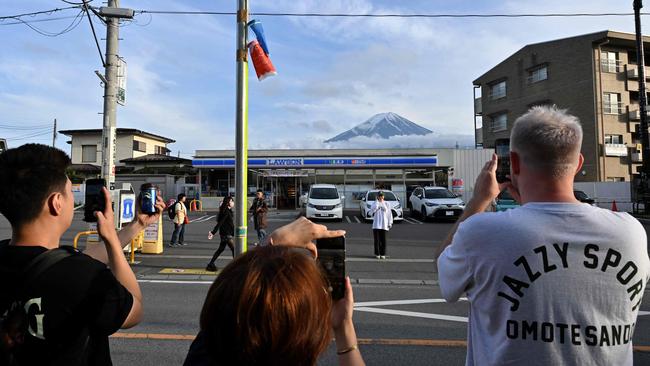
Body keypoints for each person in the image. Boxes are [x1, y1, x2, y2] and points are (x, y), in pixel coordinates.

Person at [435, 106, 649, 366]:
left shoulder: (481, 232)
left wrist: (479, 200)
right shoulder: (630, 233)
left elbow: (444, 270)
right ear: (578, 162)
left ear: (513, 162)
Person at [0, 144, 165, 365]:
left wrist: (137, 225)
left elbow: (75, 263)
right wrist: (110, 240)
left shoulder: (8, 255)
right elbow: (134, 311)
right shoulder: (84, 277)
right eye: (69, 192)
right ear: (56, 203)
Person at [184, 217, 365, 366]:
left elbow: (223, 317)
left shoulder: (210, 351)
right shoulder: (297, 356)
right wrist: (343, 327)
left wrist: (271, 243)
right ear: (306, 338)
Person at [205, 196, 235, 272]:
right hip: (226, 233)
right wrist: (213, 232)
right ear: (228, 203)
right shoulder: (226, 212)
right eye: (232, 201)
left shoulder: (227, 210)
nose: (233, 202)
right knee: (234, 249)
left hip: (225, 233)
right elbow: (220, 223)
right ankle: (236, 266)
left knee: (221, 249)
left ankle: (210, 264)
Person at [370, 191, 393, 260]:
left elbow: (389, 214)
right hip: (376, 225)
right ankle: (377, 253)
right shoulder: (375, 203)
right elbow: (372, 211)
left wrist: (390, 223)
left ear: (383, 196)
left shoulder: (387, 203)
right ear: (378, 196)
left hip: (384, 224)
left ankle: (383, 254)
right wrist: (377, 202)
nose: (381, 197)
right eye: (379, 196)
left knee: (383, 240)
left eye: (382, 196)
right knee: (377, 240)